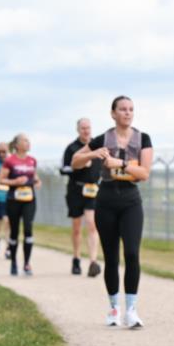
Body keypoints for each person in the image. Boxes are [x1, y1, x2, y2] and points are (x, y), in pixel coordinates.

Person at [72, 96, 153, 328]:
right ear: (113, 113)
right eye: (123, 109)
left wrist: (122, 164)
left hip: (130, 200)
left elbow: (145, 173)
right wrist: (92, 155)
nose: (127, 113)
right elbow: (75, 161)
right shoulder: (103, 139)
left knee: (131, 253)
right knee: (111, 257)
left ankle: (132, 310)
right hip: (106, 199)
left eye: (131, 109)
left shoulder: (142, 138)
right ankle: (114, 309)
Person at [61, 118, 103, 277]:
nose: (86, 130)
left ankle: (93, 261)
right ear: (78, 130)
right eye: (83, 128)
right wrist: (78, 165)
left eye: (88, 127)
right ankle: (76, 258)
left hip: (93, 191)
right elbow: (63, 169)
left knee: (92, 224)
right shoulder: (72, 148)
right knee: (77, 227)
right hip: (76, 190)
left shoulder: (97, 147)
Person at [0, 134, 41, 276]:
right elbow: (1, 180)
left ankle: (27, 264)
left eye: (29, 140)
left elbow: (35, 177)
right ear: (17, 145)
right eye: (25, 140)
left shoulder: (32, 160)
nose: (28, 143)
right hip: (13, 200)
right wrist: (15, 182)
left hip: (29, 199)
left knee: (28, 229)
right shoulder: (10, 161)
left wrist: (37, 182)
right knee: (14, 231)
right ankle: (14, 263)